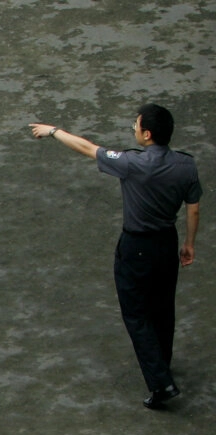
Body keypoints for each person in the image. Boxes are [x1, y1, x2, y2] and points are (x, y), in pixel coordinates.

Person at [29, 104, 202, 408]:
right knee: (163, 309)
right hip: (166, 243)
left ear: (147, 134)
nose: (133, 129)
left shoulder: (131, 163)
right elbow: (194, 207)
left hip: (136, 247)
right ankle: (163, 364)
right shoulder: (186, 166)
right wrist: (188, 243)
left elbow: (88, 148)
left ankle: (161, 383)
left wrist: (54, 131)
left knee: (136, 313)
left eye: (136, 125)